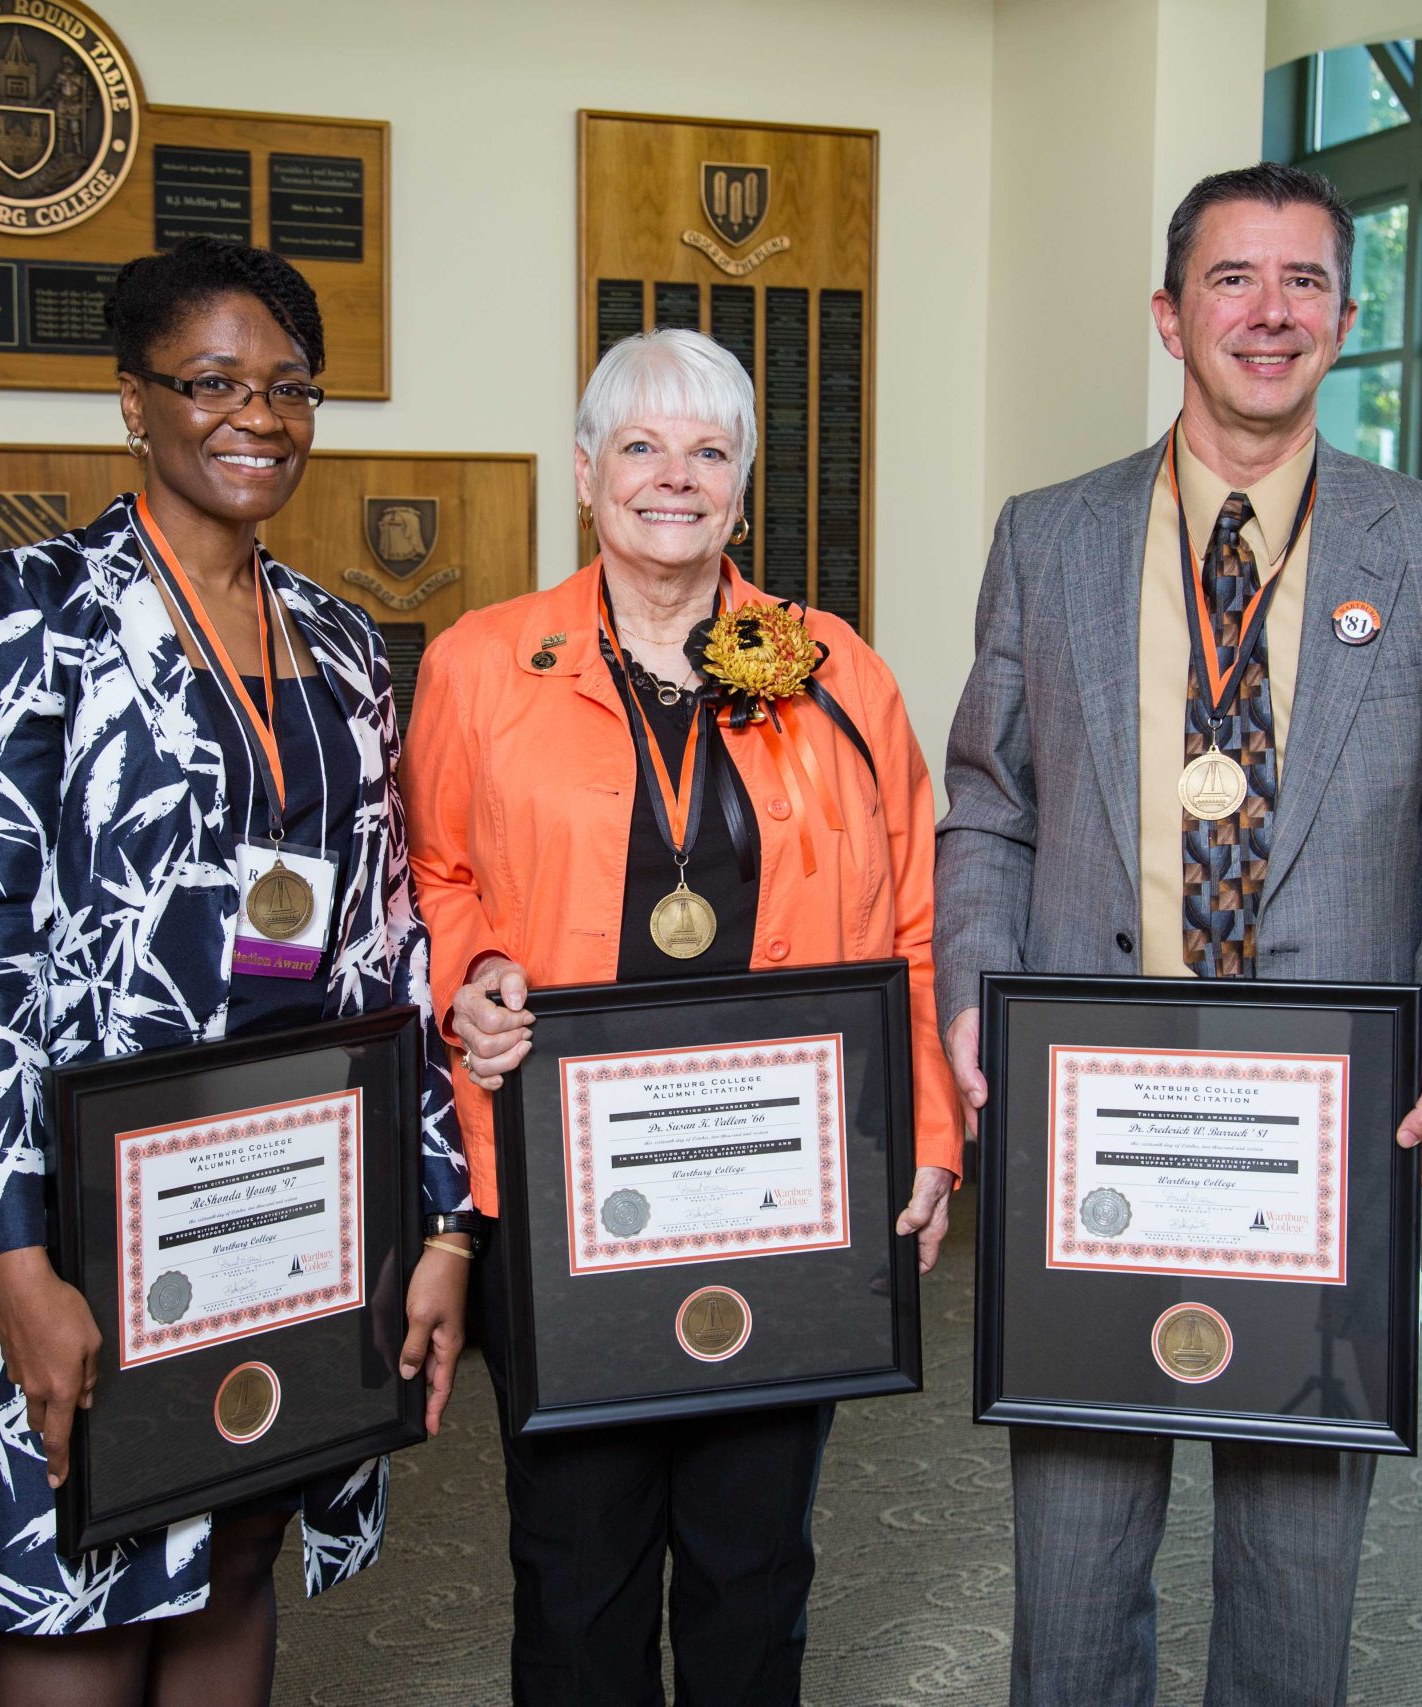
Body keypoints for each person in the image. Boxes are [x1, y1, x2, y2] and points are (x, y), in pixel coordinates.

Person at [935, 163, 1422, 1705]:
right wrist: (968, 995)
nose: (1266, 312)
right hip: (1096, 1139)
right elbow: (988, 806)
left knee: (1296, 1584)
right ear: (1170, 315)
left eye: (1301, 284)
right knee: (1073, 1580)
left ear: (1345, 321)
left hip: (1330, 1147)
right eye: (1231, 279)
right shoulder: (1050, 536)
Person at [0, 237, 474, 1706]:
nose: (258, 416)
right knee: (87, 1584)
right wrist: (16, 1258)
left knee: (239, 1541)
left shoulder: (343, 640)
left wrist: (437, 1217)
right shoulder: (29, 610)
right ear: (135, 404)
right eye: (214, 382)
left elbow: (383, 939)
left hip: (287, 1173)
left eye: (291, 388)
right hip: (81, 1181)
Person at [398, 327, 962, 1706]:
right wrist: (468, 978)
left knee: (755, 1554)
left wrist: (930, 1131)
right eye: (640, 446)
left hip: (784, 1190)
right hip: (560, 1190)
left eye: (708, 451)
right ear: (585, 471)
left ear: (744, 486)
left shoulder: (837, 672)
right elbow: (434, 872)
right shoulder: (480, 664)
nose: (674, 477)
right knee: (576, 1558)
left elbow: (913, 923)